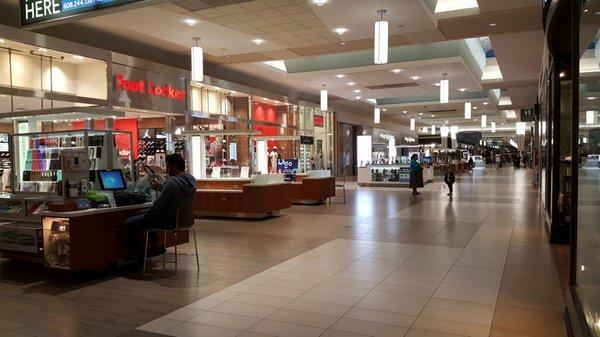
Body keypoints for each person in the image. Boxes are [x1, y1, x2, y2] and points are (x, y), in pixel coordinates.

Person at [122, 154, 197, 259]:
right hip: (185, 219)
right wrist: (163, 189)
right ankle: (157, 246)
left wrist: (147, 213)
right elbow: (178, 195)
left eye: (168, 166)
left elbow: (158, 206)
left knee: (129, 224)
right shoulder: (191, 180)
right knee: (142, 214)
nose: (166, 170)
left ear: (174, 167)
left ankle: (141, 256)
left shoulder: (171, 183)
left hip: (169, 220)